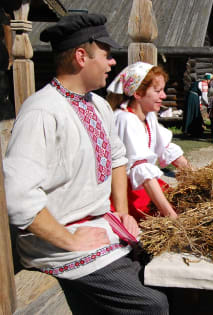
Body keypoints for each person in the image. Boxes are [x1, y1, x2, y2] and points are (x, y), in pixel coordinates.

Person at [3, 14, 169, 314]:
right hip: (58, 245)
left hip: (102, 227)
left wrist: (121, 212)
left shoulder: (99, 104)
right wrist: (67, 239)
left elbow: (118, 159)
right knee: (152, 306)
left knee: (168, 276)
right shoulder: (42, 111)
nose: (112, 63)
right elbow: (18, 197)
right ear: (82, 56)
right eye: (106, 55)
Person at [107, 61, 190, 220]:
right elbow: (141, 169)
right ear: (138, 93)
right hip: (127, 191)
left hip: (146, 185)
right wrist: (172, 217)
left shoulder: (148, 116)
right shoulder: (125, 119)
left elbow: (166, 148)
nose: (164, 96)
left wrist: (199, 178)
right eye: (158, 91)